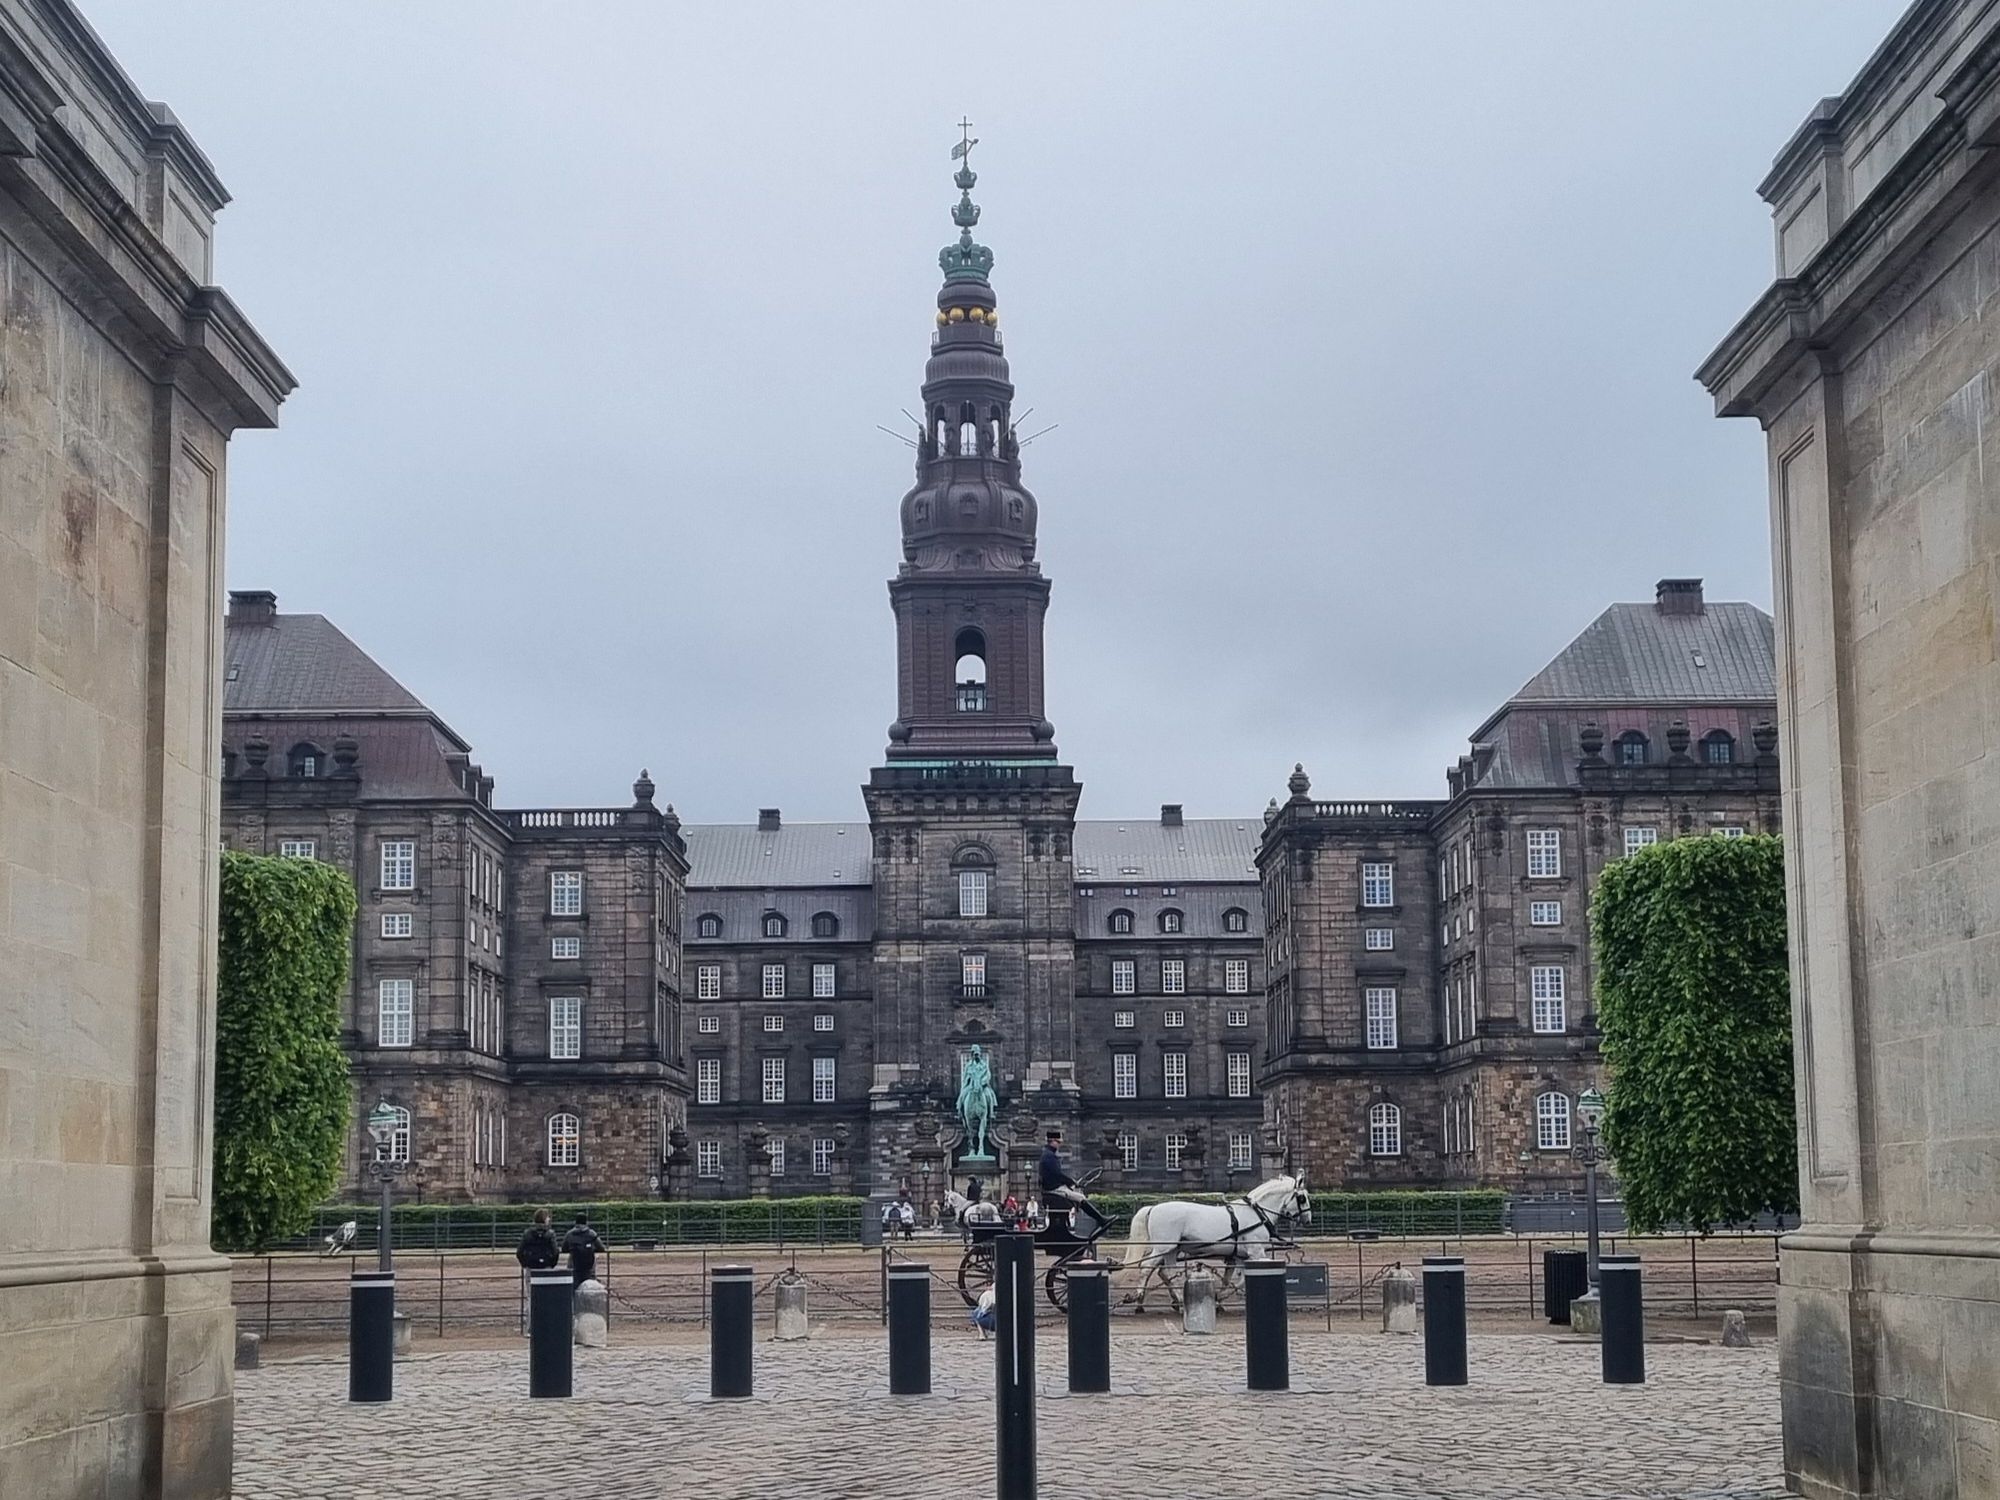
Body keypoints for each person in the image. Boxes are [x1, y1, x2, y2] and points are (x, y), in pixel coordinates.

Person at [1039, 1129, 1088, 1221]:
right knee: (1081, 1197)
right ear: (1052, 1141)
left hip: (1052, 1187)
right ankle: (1100, 1220)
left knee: (1075, 1196)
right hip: (1053, 1189)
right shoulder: (1050, 1156)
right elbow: (1057, 1174)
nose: (1059, 1144)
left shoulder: (1047, 1154)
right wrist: (1070, 1182)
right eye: (1058, 1142)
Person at [560, 1211, 607, 1286]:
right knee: (590, 1286)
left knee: (573, 1286)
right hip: (588, 1267)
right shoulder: (592, 1234)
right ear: (586, 1222)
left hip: (574, 1267)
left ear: (576, 1222)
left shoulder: (569, 1234)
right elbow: (601, 1248)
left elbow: (564, 1249)